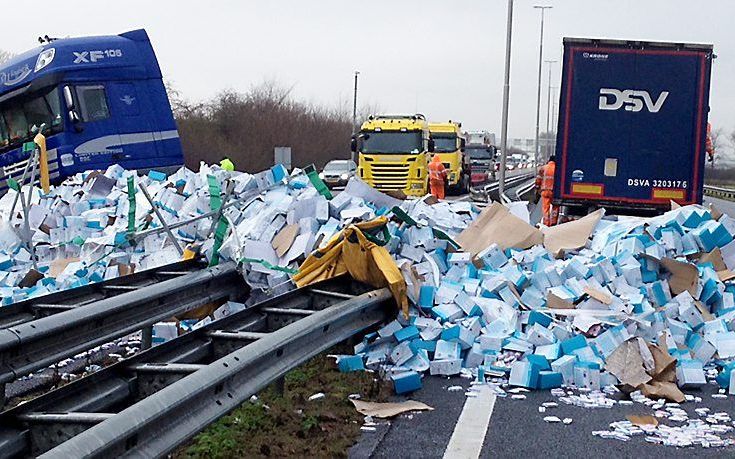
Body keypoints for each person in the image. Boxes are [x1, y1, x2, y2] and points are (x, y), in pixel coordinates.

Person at [535, 155, 558, 226]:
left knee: (545, 208)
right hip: (555, 192)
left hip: (545, 191)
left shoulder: (544, 168)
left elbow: (538, 179)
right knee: (555, 207)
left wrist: (537, 188)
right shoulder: (558, 169)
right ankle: (553, 222)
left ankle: (546, 223)